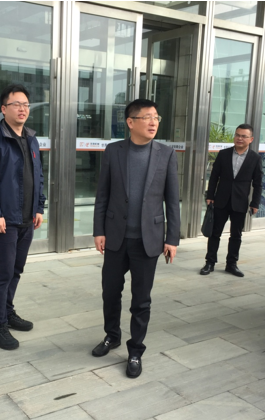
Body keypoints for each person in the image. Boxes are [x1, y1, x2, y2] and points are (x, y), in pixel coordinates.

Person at [91, 98, 180, 379]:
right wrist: (99, 230)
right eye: (147, 117)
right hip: (116, 237)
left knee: (141, 299)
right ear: (130, 122)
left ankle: (135, 350)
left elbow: (172, 200)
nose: (153, 122)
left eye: (156, 117)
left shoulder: (166, 154)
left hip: (148, 239)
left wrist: (172, 238)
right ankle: (112, 336)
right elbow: (102, 194)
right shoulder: (113, 151)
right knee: (110, 293)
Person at [0, 84, 46, 350]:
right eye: (17, 104)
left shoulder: (31, 139)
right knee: (2, 273)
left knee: (16, 269)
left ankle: (7, 311)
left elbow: (38, 176)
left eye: (26, 104)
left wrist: (39, 207)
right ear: (4, 109)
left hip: (27, 218)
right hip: (3, 220)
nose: (23, 109)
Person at [200, 123, 262, 278]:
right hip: (221, 200)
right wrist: (210, 196)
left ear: (251, 139)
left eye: (244, 136)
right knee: (215, 233)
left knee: (236, 235)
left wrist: (255, 203)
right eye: (237, 135)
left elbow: (258, 183)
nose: (239, 138)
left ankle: (231, 264)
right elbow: (214, 176)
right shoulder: (224, 154)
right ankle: (209, 263)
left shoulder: (255, 158)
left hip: (240, 201)